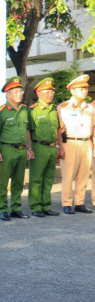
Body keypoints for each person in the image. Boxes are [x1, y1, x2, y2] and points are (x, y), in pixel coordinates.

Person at [0, 76, 34, 220]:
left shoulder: (24, 110)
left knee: (19, 181)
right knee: (4, 181)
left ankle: (16, 208)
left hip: (22, 149)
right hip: (7, 149)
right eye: (15, 91)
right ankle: (3, 209)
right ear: (7, 93)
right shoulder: (1, 111)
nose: (19, 94)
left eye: (20, 91)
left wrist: (29, 148)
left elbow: (28, 130)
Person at [58, 74, 94, 214]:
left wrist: (92, 144)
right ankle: (67, 203)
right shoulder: (64, 107)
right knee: (68, 174)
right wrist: (59, 147)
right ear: (72, 90)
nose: (85, 91)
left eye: (85, 88)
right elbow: (59, 129)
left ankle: (79, 202)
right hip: (70, 143)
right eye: (81, 88)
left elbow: (93, 128)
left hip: (86, 143)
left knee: (84, 174)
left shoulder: (89, 108)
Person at [28, 78, 62, 217]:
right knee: (36, 178)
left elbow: (59, 129)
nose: (51, 94)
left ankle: (46, 205)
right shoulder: (33, 110)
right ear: (38, 93)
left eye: (52, 91)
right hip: (38, 146)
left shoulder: (54, 109)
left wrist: (59, 146)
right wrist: (29, 149)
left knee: (49, 178)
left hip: (52, 147)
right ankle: (35, 206)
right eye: (47, 92)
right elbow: (28, 131)